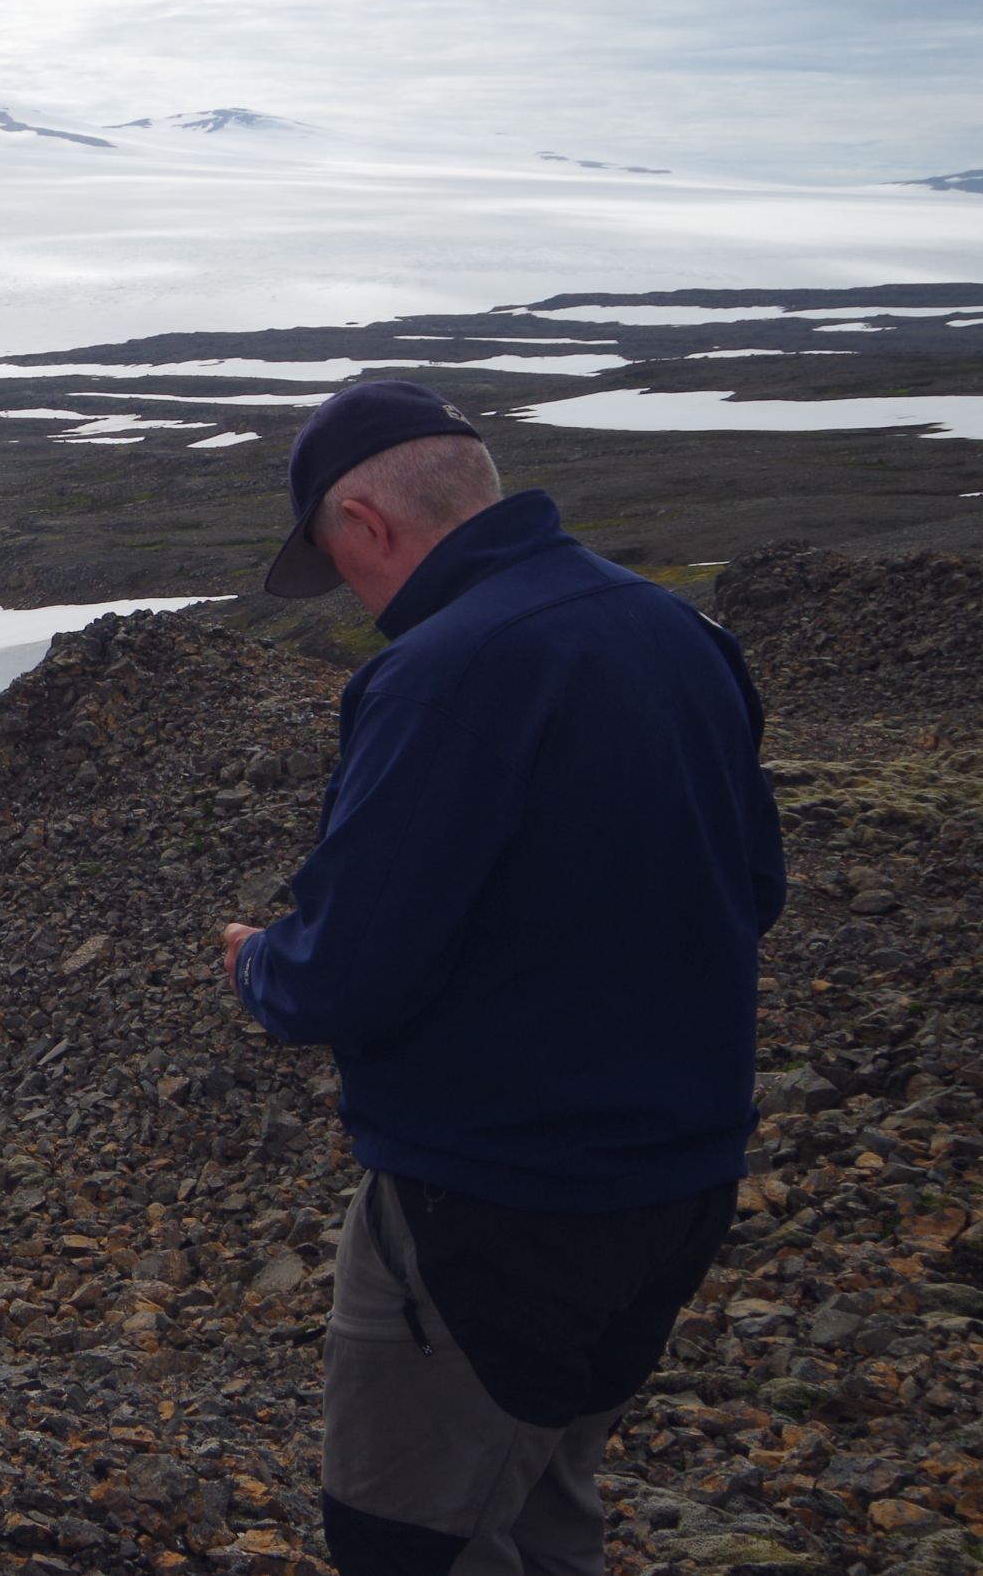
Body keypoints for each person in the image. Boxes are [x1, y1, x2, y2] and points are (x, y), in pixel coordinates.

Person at [218, 380, 786, 1576]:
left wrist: (261, 961)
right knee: (539, 1501)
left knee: (409, 1536)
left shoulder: (446, 668)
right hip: (677, 1184)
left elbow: (348, 972)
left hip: (496, 1199)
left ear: (365, 522)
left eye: (338, 562)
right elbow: (754, 888)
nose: (356, 598)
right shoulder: (676, 630)